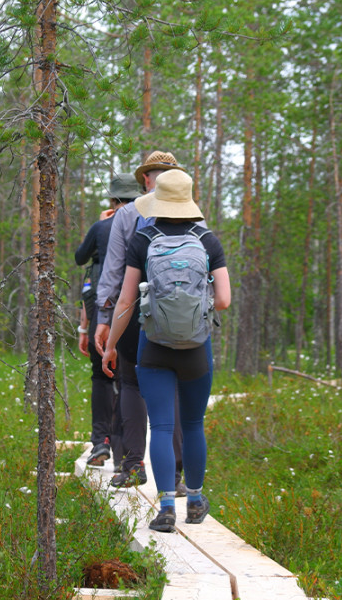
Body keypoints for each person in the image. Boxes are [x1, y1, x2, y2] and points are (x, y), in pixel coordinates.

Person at [101, 168, 231, 532]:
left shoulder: (143, 239)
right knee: (192, 424)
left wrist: (111, 345)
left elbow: (126, 301)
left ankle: (165, 509)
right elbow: (223, 300)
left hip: (152, 347)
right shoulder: (208, 241)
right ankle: (195, 499)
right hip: (195, 349)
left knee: (159, 426)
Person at [93, 151, 187, 490]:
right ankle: (175, 476)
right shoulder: (194, 216)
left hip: (134, 313)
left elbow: (113, 272)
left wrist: (104, 318)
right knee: (173, 387)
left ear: (145, 179)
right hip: (179, 314)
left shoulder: (128, 214)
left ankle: (133, 465)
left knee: (131, 383)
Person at [74, 175, 140, 467]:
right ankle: (126, 451)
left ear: (113, 200)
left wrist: (84, 327)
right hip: (133, 300)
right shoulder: (144, 223)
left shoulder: (103, 226)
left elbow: (79, 257)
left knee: (101, 375)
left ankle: (101, 443)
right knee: (129, 378)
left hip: (100, 299)